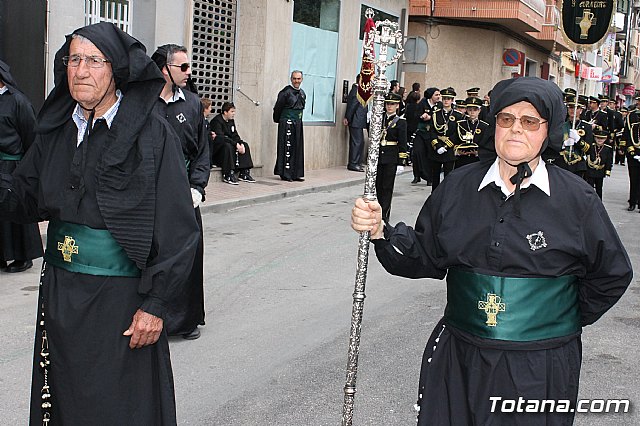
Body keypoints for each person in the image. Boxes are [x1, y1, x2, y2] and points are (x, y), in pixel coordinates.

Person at [351, 76, 632, 426]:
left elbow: (612, 274)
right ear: (494, 124)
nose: (516, 130)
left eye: (530, 121)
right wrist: (380, 231)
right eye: (506, 119)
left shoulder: (577, 199)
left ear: (549, 131)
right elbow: (425, 254)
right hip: (460, 359)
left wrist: (553, 317)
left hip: (538, 365)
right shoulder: (458, 186)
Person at [0, 23, 199, 424]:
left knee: (118, 405)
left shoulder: (151, 134)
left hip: (123, 302)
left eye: (93, 60)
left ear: (116, 71)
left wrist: (156, 306)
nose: (81, 70)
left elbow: (179, 231)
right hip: (60, 294)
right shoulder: (55, 132)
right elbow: (23, 202)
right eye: (74, 59)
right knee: (65, 397)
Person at [152, 44, 209, 340]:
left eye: (189, 66)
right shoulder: (144, 103)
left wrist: (197, 187)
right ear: (165, 69)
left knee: (188, 256)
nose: (190, 72)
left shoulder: (192, 104)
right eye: (183, 67)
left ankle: (185, 321)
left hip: (185, 193)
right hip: (151, 193)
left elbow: (202, 152)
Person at [0, 59, 43, 273]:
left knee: (15, 209)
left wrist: (26, 167)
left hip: (12, 163)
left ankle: (23, 256)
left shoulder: (18, 101)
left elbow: (30, 134)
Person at [376, 93, 407, 223]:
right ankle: (377, 210)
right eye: (388, 104)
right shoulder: (379, 118)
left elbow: (403, 142)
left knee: (387, 187)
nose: (389, 106)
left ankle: (385, 213)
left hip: (391, 156)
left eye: (392, 104)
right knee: (377, 185)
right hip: (378, 156)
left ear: (397, 106)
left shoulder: (400, 122)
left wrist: (401, 162)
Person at [210, 102, 256, 182]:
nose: (233, 114)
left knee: (245, 145)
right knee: (227, 146)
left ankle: (244, 172)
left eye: (234, 111)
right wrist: (235, 144)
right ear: (225, 112)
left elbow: (234, 134)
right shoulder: (217, 121)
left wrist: (240, 143)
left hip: (229, 143)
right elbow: (221, 137)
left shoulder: (231, 121)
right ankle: (228, 173)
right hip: (218, 149)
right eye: (232, 111)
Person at [273, 70, 306, 181]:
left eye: (299, 79)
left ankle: (295, 173)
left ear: (302, 79)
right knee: (287, 148)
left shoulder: (302, 93)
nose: (296, 81)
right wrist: (279, 120)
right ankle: (285, 173)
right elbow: (278, 108)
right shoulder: (285, 92)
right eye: (294, 79)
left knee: (297, 147)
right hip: (287, 123)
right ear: (291, 79)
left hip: (298, 123)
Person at [411, 87, 440, 185]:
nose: (438, 97)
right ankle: (417, 175)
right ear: (431, 96)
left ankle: (429, 177)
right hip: (421, 132)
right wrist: (422, 116)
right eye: (436, 95)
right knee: (417, 152)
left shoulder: (439, 106)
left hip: (432, 134)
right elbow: (415, 116)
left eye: (439, 95)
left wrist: (431, 117)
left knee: (430, 154)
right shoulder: (422, 104)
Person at [451, 96, 489, 168]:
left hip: (477, 160)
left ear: (479, 110)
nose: (472, 112)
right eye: (470, 110)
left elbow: (486, 143)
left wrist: (479, 152)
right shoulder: (460, 124)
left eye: (475, 110)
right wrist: (458, 152)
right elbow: (454, 139)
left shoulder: (484, 126)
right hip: (462, 159)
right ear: (466, 110)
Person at [343, 78, 368, 172]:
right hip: (355, 120)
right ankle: (353, 163)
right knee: (356, 142)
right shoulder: (357, 90)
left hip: (359, 121)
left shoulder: (361, 91)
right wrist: (347, 118)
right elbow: (352, 105)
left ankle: (357, 162)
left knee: (360, 142)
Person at [585, 129, 613, 199]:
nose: (600, 140)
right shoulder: (591, 147)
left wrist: (608, 170)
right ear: (595, 138)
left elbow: (609, 161)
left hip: (600, 171)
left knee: (599, 189)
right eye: (598, 138)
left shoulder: (607, 149)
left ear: (605, 139)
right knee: (589, 188)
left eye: (602, 138)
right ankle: (589, 202)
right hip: (590, 171)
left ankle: (599, 202)